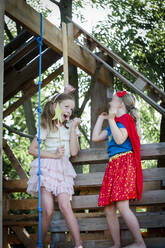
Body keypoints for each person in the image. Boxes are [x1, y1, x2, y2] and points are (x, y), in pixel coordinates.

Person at [27, 85, 83, 248]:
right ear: (55, 107)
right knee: (48, 210)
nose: (70, 111)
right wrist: (54, 155)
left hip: (63, 169)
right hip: (47, 168)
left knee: (66, 206)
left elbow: (73, 152)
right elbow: (32, 150)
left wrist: (73, 128)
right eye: (66, 107)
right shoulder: (47, 124)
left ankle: (79, 245)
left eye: (72, 109)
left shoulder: (70, 126)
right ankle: (37, 245)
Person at [92, 91, 146, 248]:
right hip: (113, 165)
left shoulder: (126, 119)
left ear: (121, 104)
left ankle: (139, 243)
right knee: (109, 209)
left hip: (124, 162)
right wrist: (102, 119)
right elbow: (95, 138)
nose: (110, 102)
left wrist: (111, 119)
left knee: (122, 206)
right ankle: (117, 244)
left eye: (113, 100)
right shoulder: (113, 122)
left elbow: (120, 139)